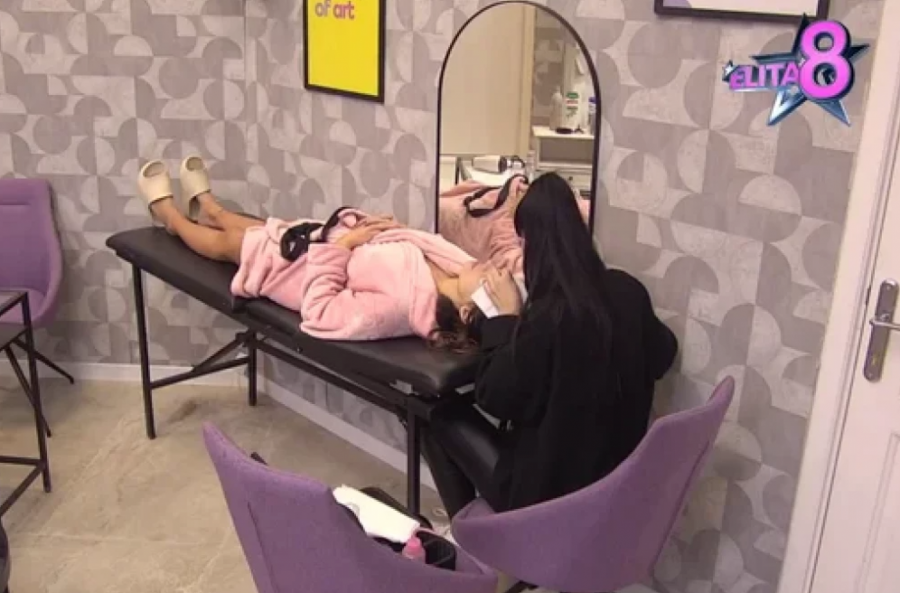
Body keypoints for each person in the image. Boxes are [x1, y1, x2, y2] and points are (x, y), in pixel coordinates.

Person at [421, 172, 679, 516]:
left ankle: (479, 534)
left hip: (547, 502)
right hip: (614, 486)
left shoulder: (547, 319)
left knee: (436, 414)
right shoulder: (627, 290)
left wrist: (506, 318)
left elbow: (495, 396)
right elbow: (664, 354)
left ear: (530, 243)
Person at [135, 156, 491, 343]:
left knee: (230, 244)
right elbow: (408, 245)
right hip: (322, 241)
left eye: (490, 284)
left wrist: (344, 245)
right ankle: (213, 210)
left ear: (465, 312)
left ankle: (172, 218)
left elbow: (321, 312)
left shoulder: (401, 308)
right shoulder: (459, 265)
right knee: (258, 229)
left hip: (302, 273)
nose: (492, 271)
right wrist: (384, 229)